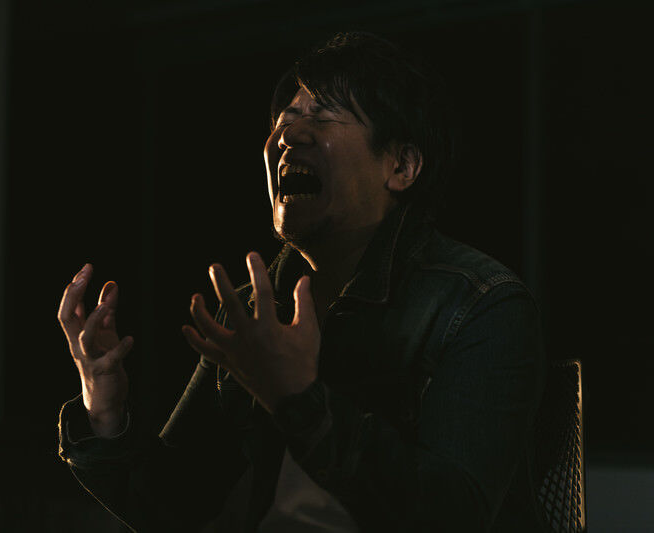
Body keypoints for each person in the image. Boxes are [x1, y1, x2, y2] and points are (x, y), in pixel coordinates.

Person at [56, 32, 547, 532]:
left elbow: (453, 515)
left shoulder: (479, 305)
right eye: (285, 120)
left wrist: (297, 399)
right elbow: (180, 509)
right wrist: (105, 409)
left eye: (325, 116)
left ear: (401, 166)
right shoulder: (251, 313)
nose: (289, 136)